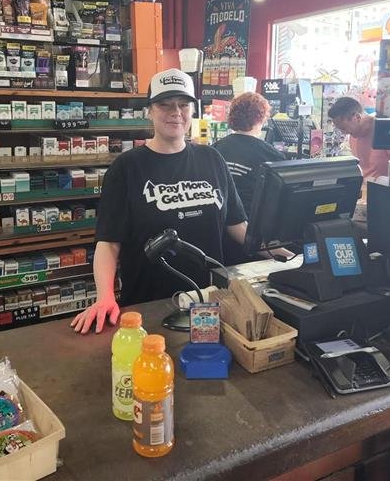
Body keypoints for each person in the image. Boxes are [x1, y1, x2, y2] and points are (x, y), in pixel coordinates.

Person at [71, 69, 249, 334]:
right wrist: (104, 296)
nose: (175, 112)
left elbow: (237, 225)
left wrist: (280, 247)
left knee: (207, 369)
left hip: (207, 303)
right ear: (150, 111)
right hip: (148, 308)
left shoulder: (212, 159)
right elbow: (108, 243)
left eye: (183, 104)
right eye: (164, 104)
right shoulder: (127, 168)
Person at [213, 92, 285, 215]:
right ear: (261, 117)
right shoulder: (272, 155)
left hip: (218, 220)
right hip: (252, 223)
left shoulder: (214, 149)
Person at [329, 97, 390, 181]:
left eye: (344, 128)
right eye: (340, 129)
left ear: (357, 117)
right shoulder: (353, 136)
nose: (344, 133)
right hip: (363, 189)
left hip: (383, 190)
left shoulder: (386, 131)